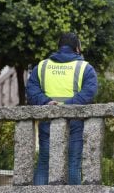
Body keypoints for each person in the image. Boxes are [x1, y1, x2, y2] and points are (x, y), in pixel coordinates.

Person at [26, 32, 98, 185]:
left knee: (45, 160)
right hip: (75, 122)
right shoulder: (85, 68)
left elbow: (31, 90)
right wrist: (68, 106)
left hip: (48, 120)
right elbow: (89, 93)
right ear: (77, 49)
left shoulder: (42, 66)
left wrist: (46, 102)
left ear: (58, 48)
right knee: (73, 161)